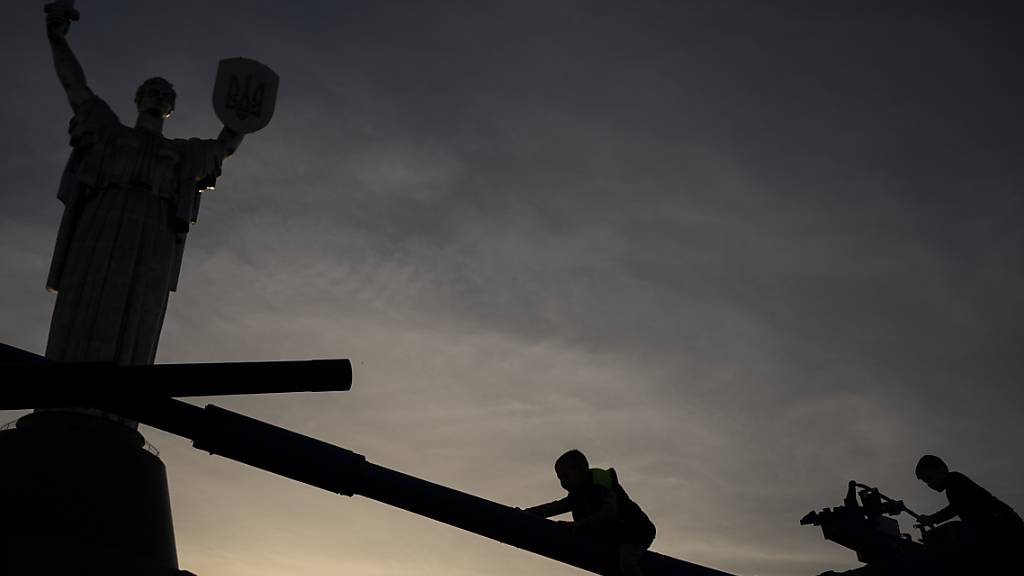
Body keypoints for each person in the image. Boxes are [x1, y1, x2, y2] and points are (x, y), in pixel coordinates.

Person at [43, 4, 243, 364]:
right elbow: (75, 86)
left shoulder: (181, 153)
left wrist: (242, 116)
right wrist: (57, 41)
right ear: (138, 98)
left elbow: (224, 146)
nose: (158, 95)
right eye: (152, 90)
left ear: (170, 108)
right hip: (103, 219)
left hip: (153, 229)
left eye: (165, 94)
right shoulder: (109, 130)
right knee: (87, 293)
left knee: (139, 306)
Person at [525, 449, 656, 576]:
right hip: (615, 535)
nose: (563, 482)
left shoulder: (601, 483)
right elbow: (554, 507)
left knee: (627, 562)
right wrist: (527, 513)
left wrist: (578, 525)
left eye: (566, 476)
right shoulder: (577, 495)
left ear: (581, 471)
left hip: (636, 532)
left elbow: (610, 513)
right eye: (560, 478)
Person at [915, 454, 1024, 569]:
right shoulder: (952, 485)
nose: (930, 484)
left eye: (929, 478)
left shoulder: (954, 479)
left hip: (1005, 527)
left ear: (942, 469)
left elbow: (957, 506)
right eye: (926, 482)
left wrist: (932, 518)